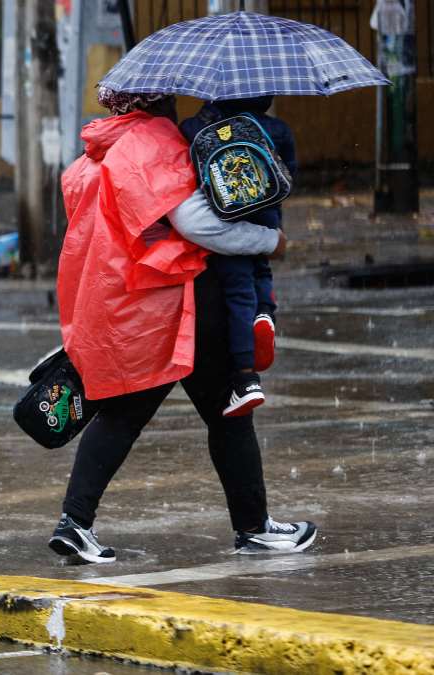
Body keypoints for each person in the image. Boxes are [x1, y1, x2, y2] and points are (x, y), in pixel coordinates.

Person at [48, 87, 317, 564]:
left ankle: (75, 522)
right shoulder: (152, 141)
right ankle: (253, 528)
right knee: (228, 413)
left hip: (125, 300)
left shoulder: (99, 149)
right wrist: (267, 240)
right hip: (171, 302)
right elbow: (195, 223)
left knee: (125, 414)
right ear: (157, 100)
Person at [180, 96, 298, 416]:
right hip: (267, 217)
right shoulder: (278, 128)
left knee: (237, 291)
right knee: (261, 272)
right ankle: (265, 315)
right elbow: (288, 176)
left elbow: (189, 164)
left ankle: (246, 376)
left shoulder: (197, 127)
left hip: (227, 217)